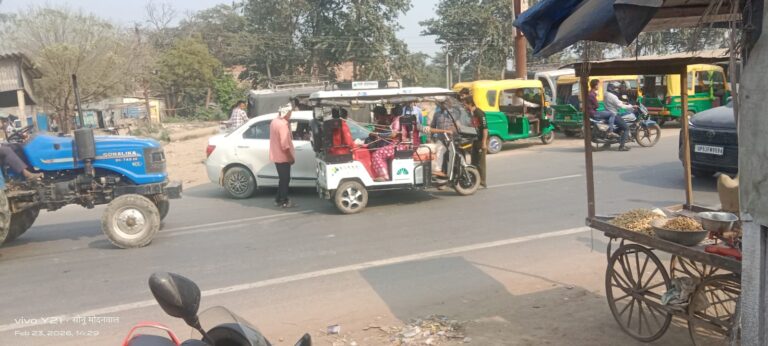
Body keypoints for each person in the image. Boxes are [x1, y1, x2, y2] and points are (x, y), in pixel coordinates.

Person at [269, 103, 296, 208]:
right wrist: (290, 158)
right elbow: (285, 145)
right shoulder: (282, 125)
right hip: (283, 157)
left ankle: (278, 199)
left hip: (277, 156)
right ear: (285, 112)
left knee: (283, 179)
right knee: (285, 180)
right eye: (290, 112)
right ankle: (283, 201)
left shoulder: (274, 122)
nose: (290, 115)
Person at [603, 83, 635, 151]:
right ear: (612, 89)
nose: (616, 90)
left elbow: (617, 102)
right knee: (626, 128)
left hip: (608, 113)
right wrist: (631, 106)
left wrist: (623, 102)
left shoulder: (605, 94)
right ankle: (622, 146)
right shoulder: (613, 96)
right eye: (615, 88)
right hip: (614, 114)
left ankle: (616, 137)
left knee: (621, 125)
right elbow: (621, 106)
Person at [465, 97, 488, 188]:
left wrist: (484, 143)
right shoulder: (471, 113)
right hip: (474, 140)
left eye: (465, 104)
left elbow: (485, 129)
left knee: (481, 162)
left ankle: (482, 182)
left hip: (481, 140)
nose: (464, 106)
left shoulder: (480, 113)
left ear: (470, 104)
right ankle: (476, 180)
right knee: (474, 161)